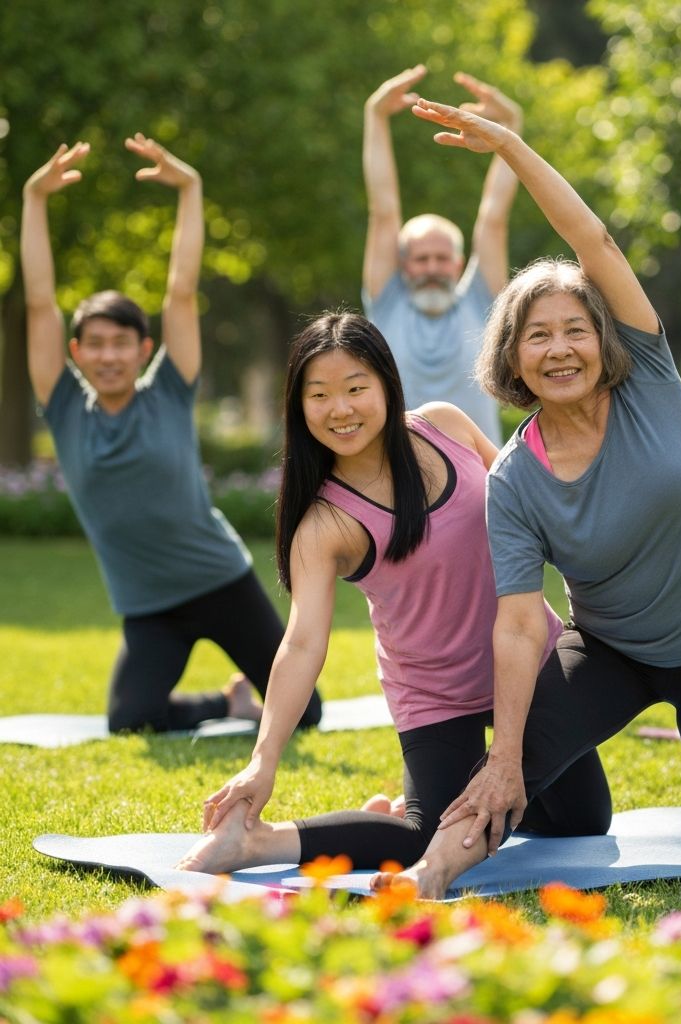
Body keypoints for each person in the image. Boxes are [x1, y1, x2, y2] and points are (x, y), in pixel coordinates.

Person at [372, 96, 681, 901]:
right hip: (612, 652)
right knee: (507, 774)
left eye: (575, 329)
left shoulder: (649, 380)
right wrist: (506, 755)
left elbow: (592, 241)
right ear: (513, 359)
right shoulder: (514, 477)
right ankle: (433, 870)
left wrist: (511, 147)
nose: (560, 348)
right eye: (537, 335)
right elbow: (517, 622)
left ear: (604, 339)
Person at [176, 312, 611, 874]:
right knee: (424, 835)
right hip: (435, 690)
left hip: (527, 659)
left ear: (386, 383)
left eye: (356, 388)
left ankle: (434, 801)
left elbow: (530, 500)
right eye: (320, 395)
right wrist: (263, 760)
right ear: (299, 406)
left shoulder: (445, 426)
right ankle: (257, 842)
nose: (341, 409)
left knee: (584, 819)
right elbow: (302, 643)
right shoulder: (324, 524)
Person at [21, 136, 322, 734]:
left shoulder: (168, 391)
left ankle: (250, 699)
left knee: (303, 714)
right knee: (130, 721)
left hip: (221, 581)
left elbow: (181, 290)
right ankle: (225, 704)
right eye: (95, 344)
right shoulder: (64, 406)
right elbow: (38, 304)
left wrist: (190, 189)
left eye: (121, 343)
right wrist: (33, 199)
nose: (109, 356)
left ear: (144, 349)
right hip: (149, 607)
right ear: (76, 352)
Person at [362, 65, 523, 446]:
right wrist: (375, 115)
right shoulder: (387, 302)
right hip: (401, 476)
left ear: (458, 263)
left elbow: (494, 217)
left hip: (479, 476)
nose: (432, 268)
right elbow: (383, 210)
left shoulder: (480, 301)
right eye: (421, 259)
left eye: (441, 258)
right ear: (403, 264)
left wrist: (511, 125)